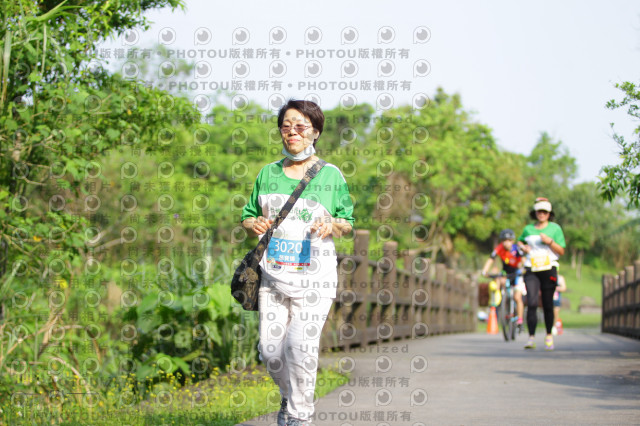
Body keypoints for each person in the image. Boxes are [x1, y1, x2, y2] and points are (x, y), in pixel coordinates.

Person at [240, 100, 354, 426]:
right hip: (273, 278)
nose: (293, 132)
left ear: (315, 132)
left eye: (301, 126)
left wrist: (332, 224)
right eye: (286, 126)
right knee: (270, 351)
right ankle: (290, 398)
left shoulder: (330, 175)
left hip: (315, 279)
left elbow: (347, 221)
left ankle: (300, 416)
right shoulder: (267, 173)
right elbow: (248, 216)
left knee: (299, 346)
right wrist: (253, 224)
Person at [517, 197, 566, 351]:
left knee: (547, 303)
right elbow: (519, 242)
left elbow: (561, 251)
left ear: (549, 214)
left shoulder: (555, 229)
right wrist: (523, 248)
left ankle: (548, 335)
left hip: (548, 268)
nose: (542, 214)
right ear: (535, 212)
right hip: (531, 268)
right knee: (531, 302)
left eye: (545, 212)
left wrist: (550, 242)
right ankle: (531, 337)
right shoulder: (528, 229)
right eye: (539, 211)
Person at [481, 229, 526, 330]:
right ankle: (503, 300)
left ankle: (520, 320)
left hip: (517, 272)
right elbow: (491, 259)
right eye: (504, 240)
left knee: (517, 297)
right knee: (499, 280)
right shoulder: (499, 248)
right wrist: (485, 270)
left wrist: (523, 268)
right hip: (506, 272)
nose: (506, 243)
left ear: (512, 241)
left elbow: (524, 260)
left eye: (509, 240)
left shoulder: (517, 249)